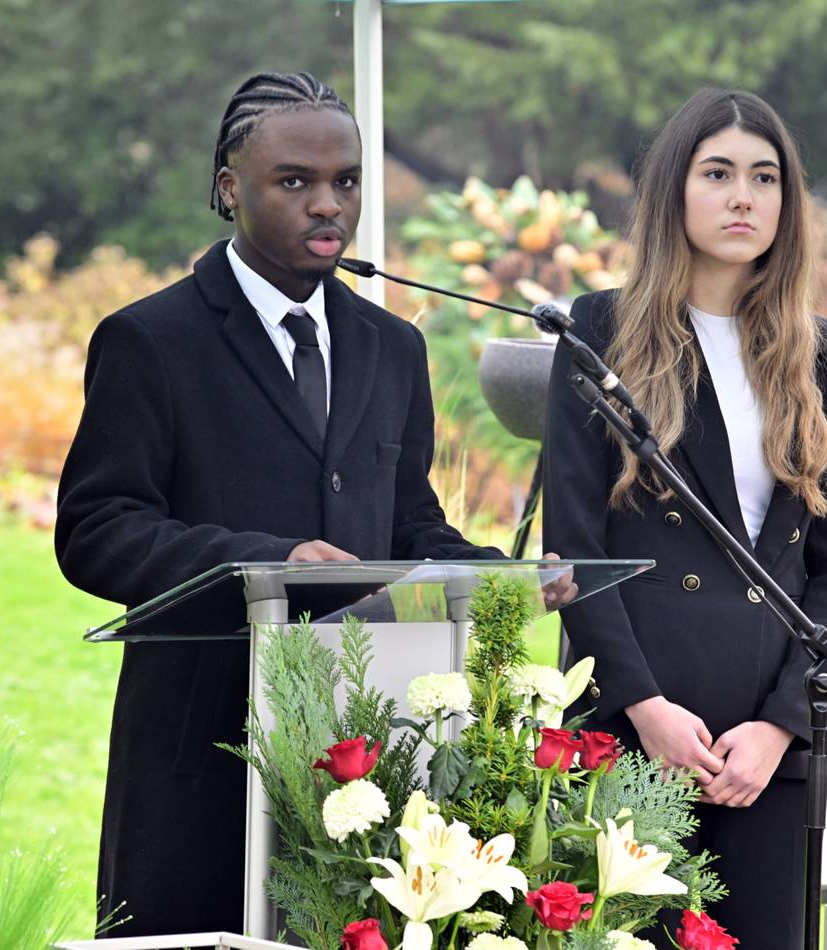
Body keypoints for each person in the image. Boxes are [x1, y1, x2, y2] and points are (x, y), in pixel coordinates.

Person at [56, 72, 572, 937]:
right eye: (294, 181)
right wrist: (271, 563)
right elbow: (97, 530)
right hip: (203, 752)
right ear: (230, 188)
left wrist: (502, 577)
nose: (328, 204)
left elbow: (409, 525)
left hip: (367, 752)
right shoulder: (150, 340)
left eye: (346, 181)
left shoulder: (392, 348)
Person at [542, 88, 827, 947]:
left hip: (770, 748)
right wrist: (644, 706)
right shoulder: (600, 331)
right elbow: (572, 546)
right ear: (673, 191)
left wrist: (782, 722)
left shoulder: (824, 353)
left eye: (765, 178)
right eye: (717, 174)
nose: (743, 197)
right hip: (635, 729)